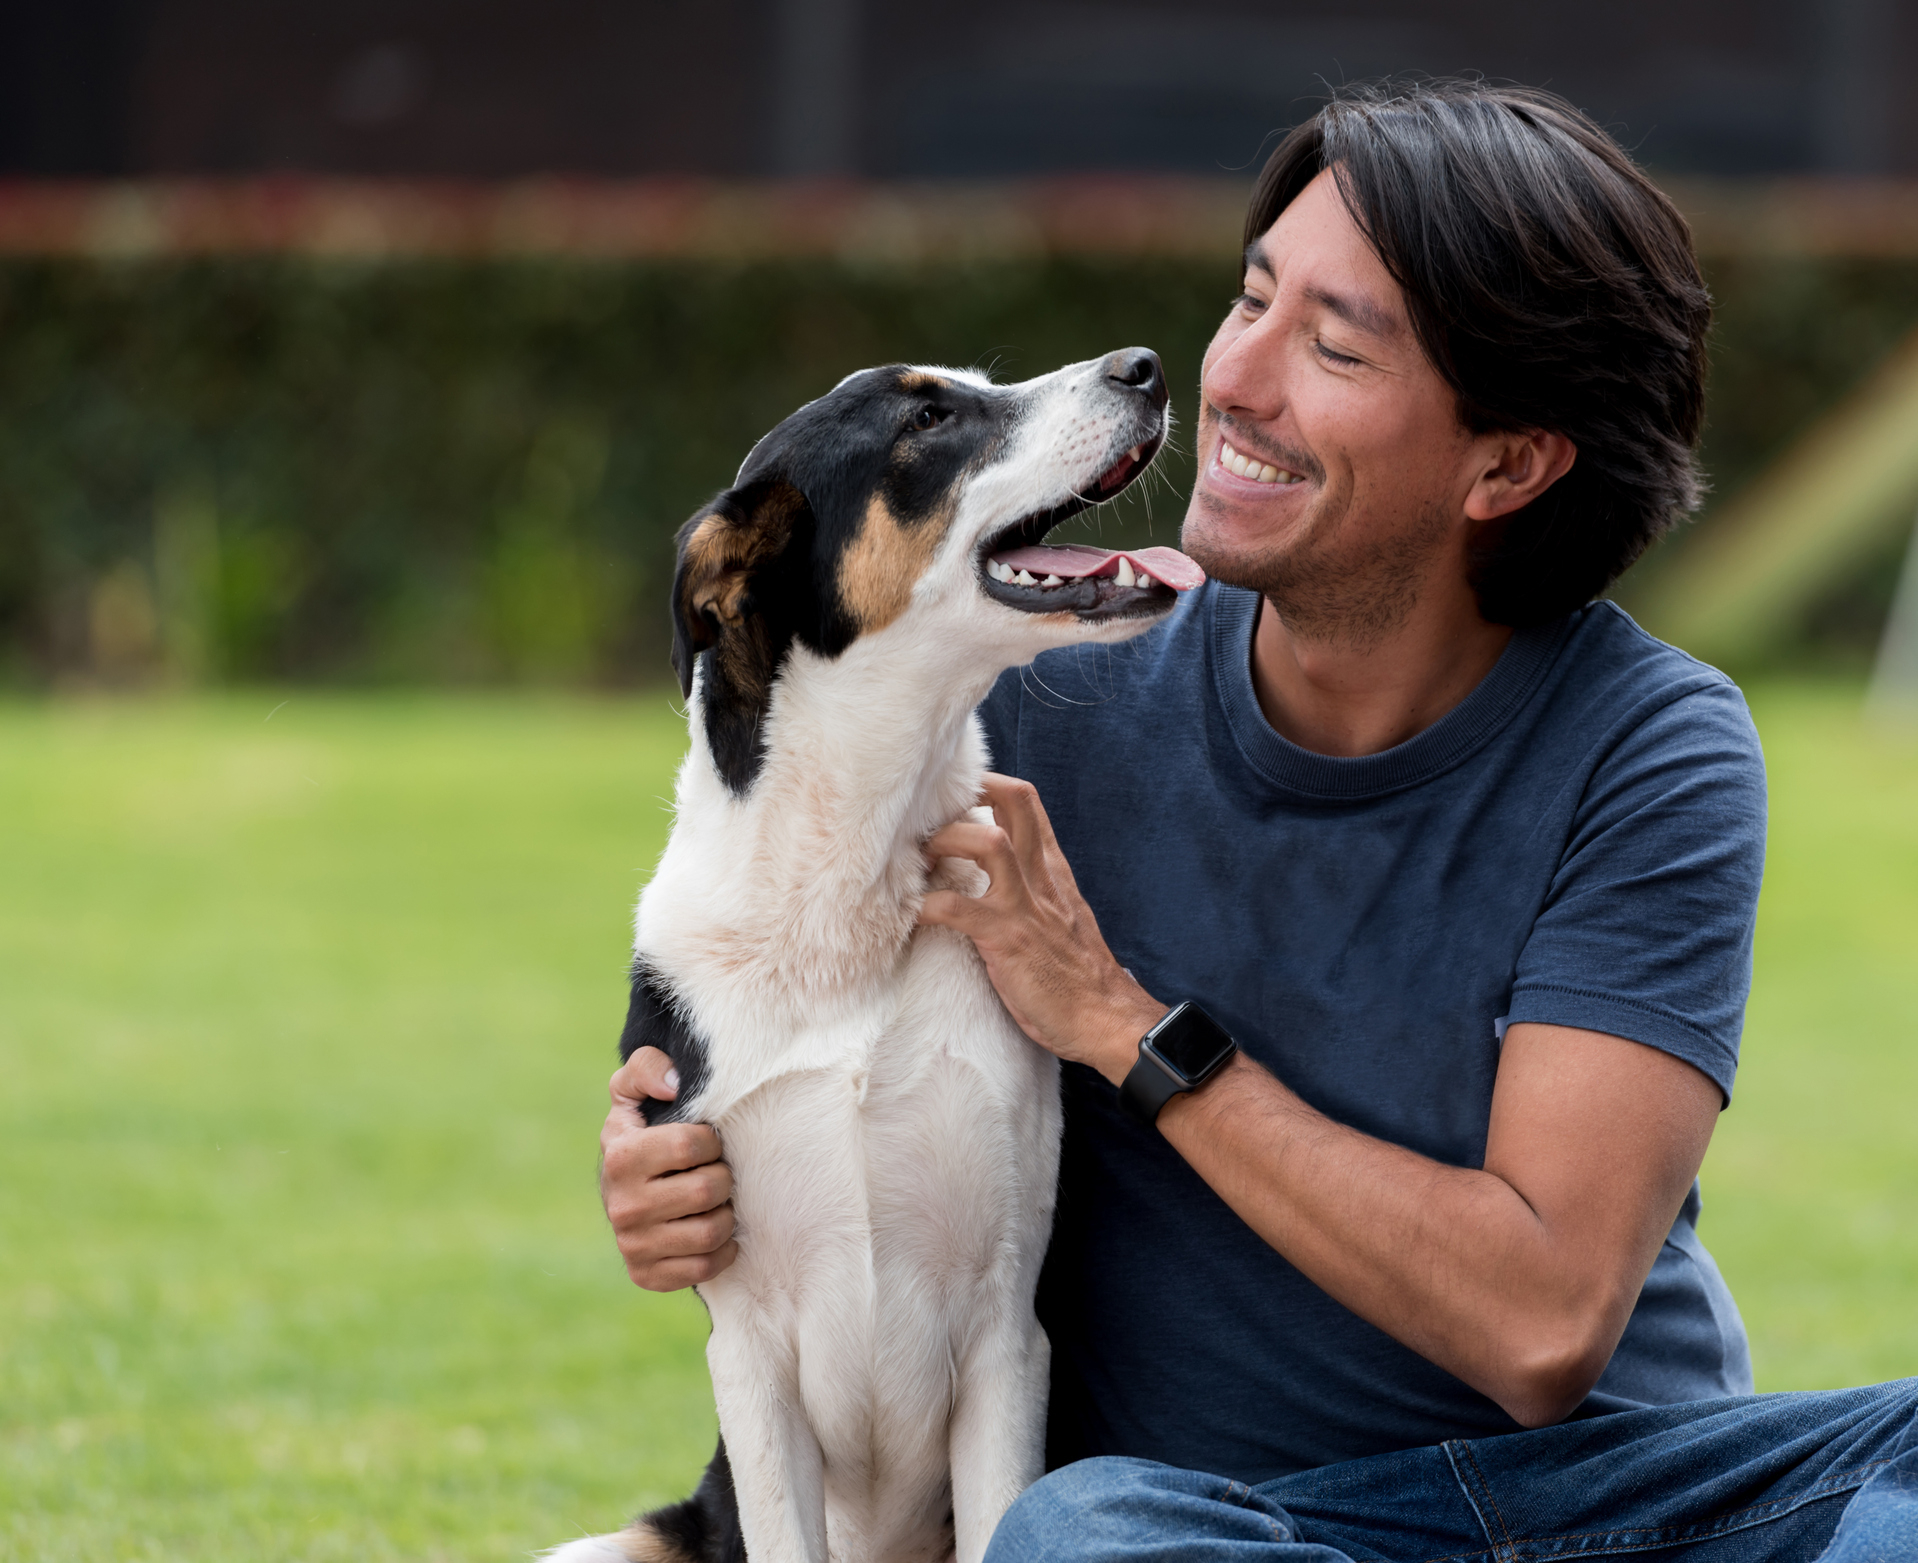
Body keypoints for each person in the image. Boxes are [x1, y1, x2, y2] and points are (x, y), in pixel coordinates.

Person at [597, 80, 1917, 1560]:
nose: (1233, 378)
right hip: (1218, 1529)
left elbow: (1541, 1320)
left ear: (1508, 461)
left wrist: (1121, 1024)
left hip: (1618, 1506)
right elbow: (793, 1046)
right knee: (1076, 1542)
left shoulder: (1651, 745)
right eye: (1250, 299)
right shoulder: (1035, 686)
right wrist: (681, 1173)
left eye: (1333, 345)